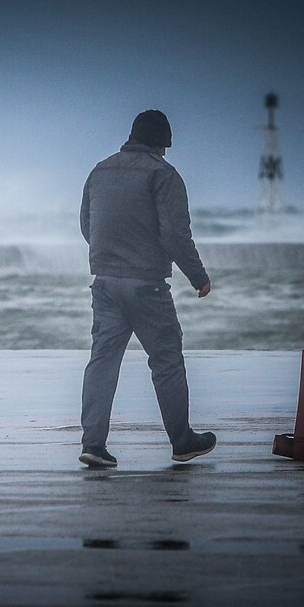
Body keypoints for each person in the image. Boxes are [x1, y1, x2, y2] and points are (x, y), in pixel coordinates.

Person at [79, 109, 216, 468]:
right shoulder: (163, 174)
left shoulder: (100, 170)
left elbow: (86, 225)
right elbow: (174, 234)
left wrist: (109, 256)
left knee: (103, 362)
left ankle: (93, 444)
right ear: (161, 144)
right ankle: (182, 441)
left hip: (105, 283)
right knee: (167, 359)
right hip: (146, 287)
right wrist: (198, 276)